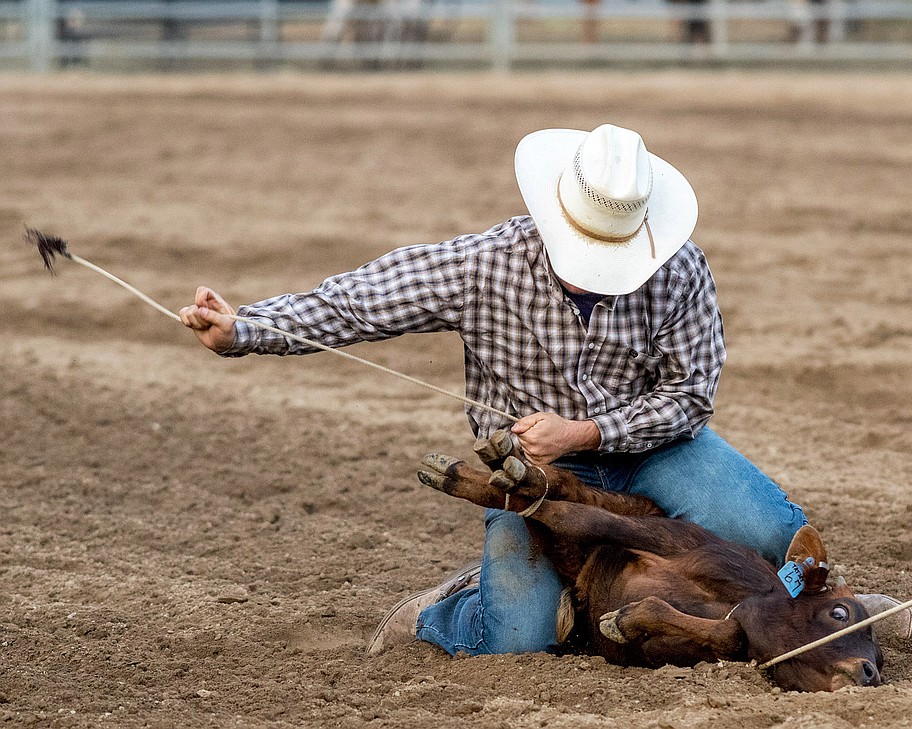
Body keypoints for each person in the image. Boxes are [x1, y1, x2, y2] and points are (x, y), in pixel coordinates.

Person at [179, 124, 809, 658]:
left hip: (655, 451)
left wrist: (586, 432)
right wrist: (245, 330)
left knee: (769, 535)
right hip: (530, 471)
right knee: (514, 639)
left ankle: (785, 612)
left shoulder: (679, 269)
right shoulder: (486, 263)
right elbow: (359, 302)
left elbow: (690, 397)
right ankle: (456, 604)